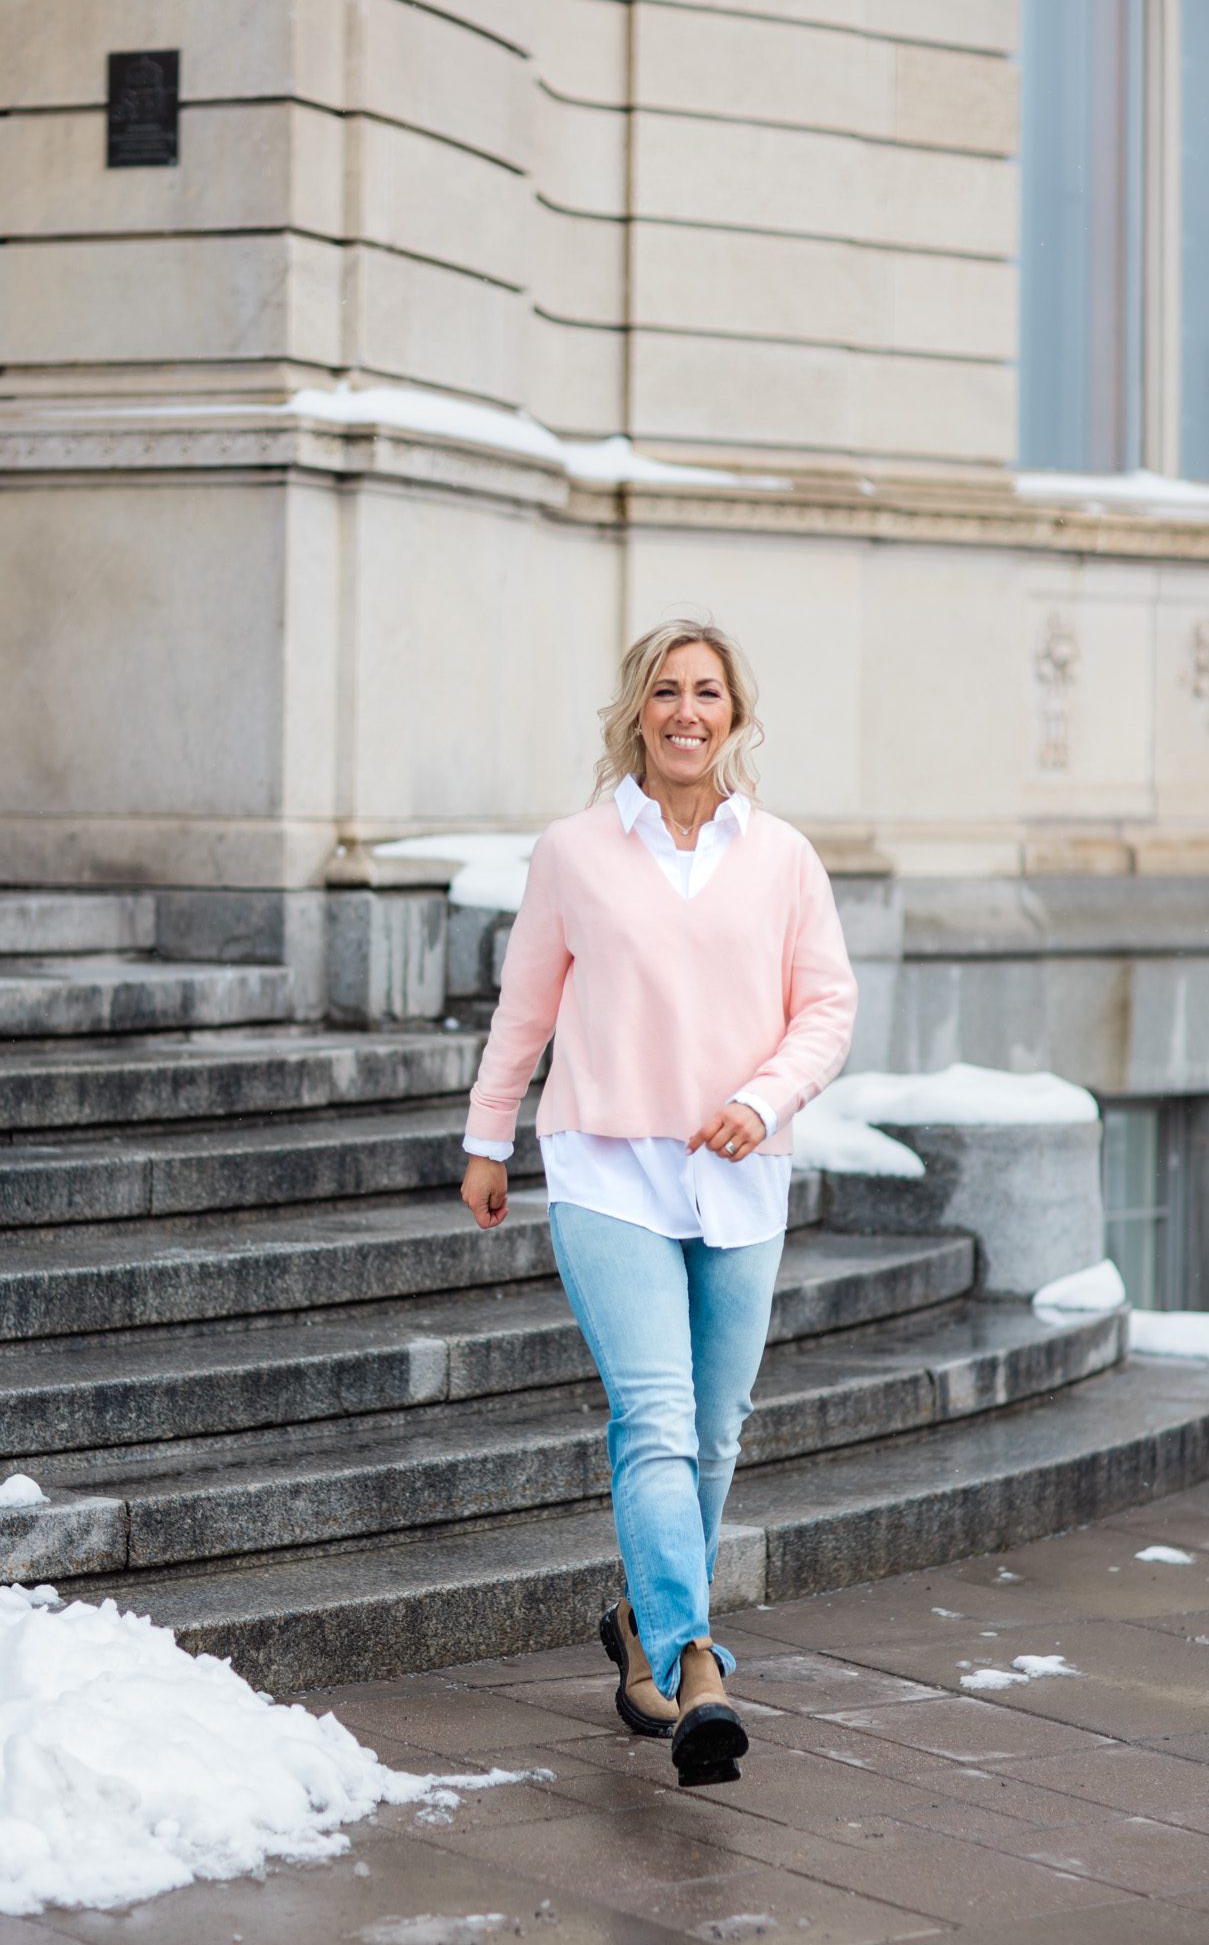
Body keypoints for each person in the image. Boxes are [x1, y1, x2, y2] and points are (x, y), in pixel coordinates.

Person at [459, 618, 858, 1787]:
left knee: (716, 1429)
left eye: (709, 692)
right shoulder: (574, 851)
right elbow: (525, 1010)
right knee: (656, 1416)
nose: (688, 711)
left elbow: (827, 1008)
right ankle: (694, 1661)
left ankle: (641, 1620)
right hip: (605, 1169)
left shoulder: (783, 857)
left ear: (735, 715)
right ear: (637, 710)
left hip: (740, 1174)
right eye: (668, 691)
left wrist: (763, 1098)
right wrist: (488, 1137)